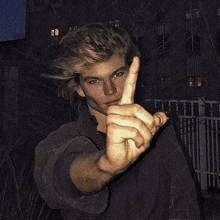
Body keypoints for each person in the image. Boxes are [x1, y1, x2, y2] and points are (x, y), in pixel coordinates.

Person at [34, 23, 201, 220]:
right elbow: (59, 178)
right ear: (79, 88)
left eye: (117, 74)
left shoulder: (159, 130)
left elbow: (185, 202)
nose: (110, 90)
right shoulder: (62, 140)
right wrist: (105, 165)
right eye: (94, 81)